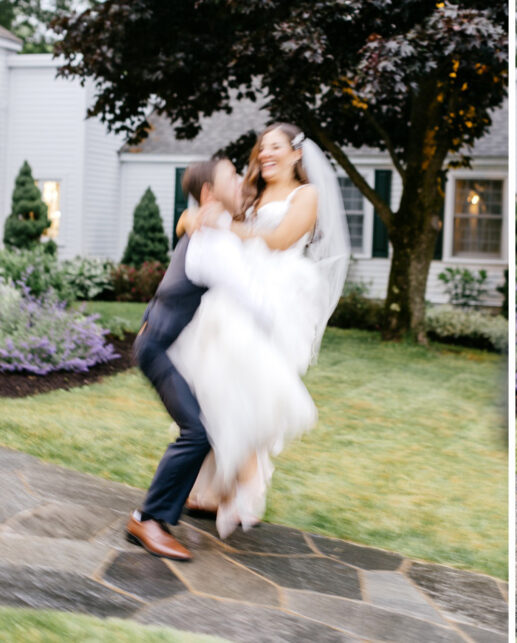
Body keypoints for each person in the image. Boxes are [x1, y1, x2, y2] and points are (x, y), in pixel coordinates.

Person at [172, 123, 349, 537]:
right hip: (241, 288)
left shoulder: (306, 195)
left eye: (275, 146)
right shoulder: (250, 193)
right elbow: (203, 221)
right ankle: (218, 485)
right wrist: (192, 219)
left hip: (281, 296)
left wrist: (225, 226)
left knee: (255, 385)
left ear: (295, 155)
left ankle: (247, 476)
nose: (264, 154)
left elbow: (282, 238)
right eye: (261, 147)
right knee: (213, 378)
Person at [126, 159, 245, 560]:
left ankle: (158, 513)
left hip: (164, 344)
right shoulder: (210, 240)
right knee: (196, 432)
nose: (241, 179)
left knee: (202, 429)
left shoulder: (212, 229)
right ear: (209, 194)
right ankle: (146, 519)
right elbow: (246, 292)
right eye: (233, 176)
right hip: (155, 348)